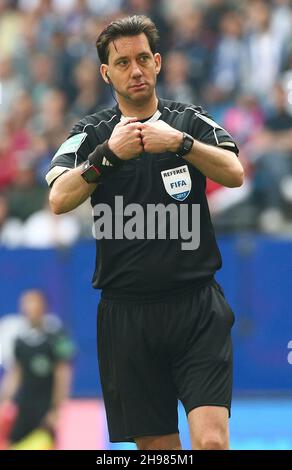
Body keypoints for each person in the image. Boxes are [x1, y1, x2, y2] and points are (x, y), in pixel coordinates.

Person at [46, 15, 244, 450]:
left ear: (157, 62)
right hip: (127, 317)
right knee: (159, 452)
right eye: (122, 63)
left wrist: (179, 144)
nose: (134, 70)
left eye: (141, 59)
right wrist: (108, 157)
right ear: (106, 73)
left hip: (196, 307)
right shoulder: (89, 134)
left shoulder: (187, 121)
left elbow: (234, 172)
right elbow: (59, 198)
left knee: (211, 443)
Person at [0, 290, 74, 448]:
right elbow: (15, 373)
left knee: (44, 443)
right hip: (23, 406)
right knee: (12, 443)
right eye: (26, 303)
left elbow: (63, 374)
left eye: (33, 302)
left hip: (45, 407)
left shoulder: (55, 337)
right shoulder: (19, 340)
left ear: (44, 307)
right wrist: (3, 400)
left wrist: (56, 408)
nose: (29, 307)